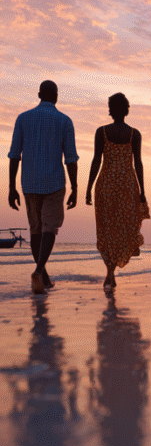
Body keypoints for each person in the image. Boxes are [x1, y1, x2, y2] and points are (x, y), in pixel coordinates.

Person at [8, 80, 79, 294]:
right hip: (54, 183)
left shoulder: (23, 118)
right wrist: (75, 187)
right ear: (56, 96)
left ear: (39, 94)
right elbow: (71, 159)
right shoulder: (64, 121)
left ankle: (44, 277)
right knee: (50, 228)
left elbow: (14, 155)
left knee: (35, 230)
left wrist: (11, 187)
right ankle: (39, 271)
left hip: (29, 183)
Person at [85, 93, 149, 288]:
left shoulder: (101, 131)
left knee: (106, 229)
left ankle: (110, 271)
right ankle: (113, 268)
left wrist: (88, 187)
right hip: (127, 185)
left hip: (105, 185)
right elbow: (138, 162)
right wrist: (142, 190)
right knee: (124, 226)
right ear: (127, 109)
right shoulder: (134, 134)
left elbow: (97, 160)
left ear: (112, 109)